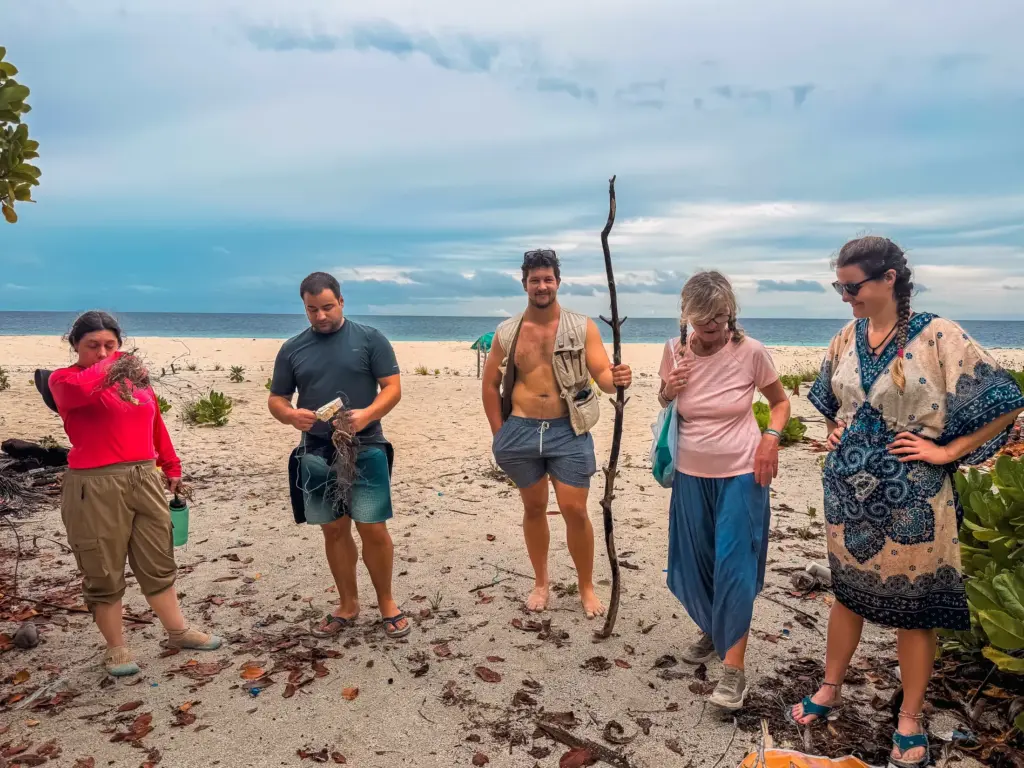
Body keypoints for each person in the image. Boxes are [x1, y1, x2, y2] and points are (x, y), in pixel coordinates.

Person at [790, 237, 1024, 768]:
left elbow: (1004, 401)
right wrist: (835, 432)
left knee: (915, 610)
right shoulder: (847, 336)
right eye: (840, 287)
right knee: (846, 595)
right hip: (848, 497)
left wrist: (948, 450)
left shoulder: (939, 333)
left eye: (854, 287)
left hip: (915, 501)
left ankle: (910, 719)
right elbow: (829, 398)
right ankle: (830, 689)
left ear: (889, 278)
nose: (846, 297)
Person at [49, 311, 221, 677]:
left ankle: (177, 631)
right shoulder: (63, 380)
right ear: (75, 346)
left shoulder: (136, 384)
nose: (101, 352)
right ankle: (116, 648)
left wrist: (171, 467)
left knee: (158, 558)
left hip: (144, 476)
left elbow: (155, 423)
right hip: (94, 484)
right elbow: (81, 391)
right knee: (103, 568)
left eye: (110, 345)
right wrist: (116, 363)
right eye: (92, 345)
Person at [657, 271, 790, 710]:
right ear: (686, 316)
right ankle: (716, 630)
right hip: (690, 473)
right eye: (702, 320)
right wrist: (667, 390)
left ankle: (734, 670)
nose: (712, 327)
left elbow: (780, 402)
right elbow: (665, 403)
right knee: (695, 563)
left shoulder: (749, 352)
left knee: (734, 563)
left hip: (742, 472)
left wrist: (770, 439)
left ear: (731, 312)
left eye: (720, 317)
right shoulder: (674, 350)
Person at [481, 249, 632, 618]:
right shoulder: (507, 331)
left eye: (548, 279)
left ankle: (586, 587)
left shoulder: (581, 327)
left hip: (569, 429)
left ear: (558, 283)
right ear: (525, 285)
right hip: (520, 430)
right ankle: (541, 583)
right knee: (533, 508)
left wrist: (617, 379)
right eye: (535, 280)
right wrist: (499, 434)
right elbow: (490, 384)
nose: (542, 286)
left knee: (574, 510)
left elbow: (602, 376)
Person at [268, 272, 410, 639]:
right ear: (304, 307)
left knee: (373, 527)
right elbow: (277, 399)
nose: (320, 316)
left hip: (366, 446)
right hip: (315, 450)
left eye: (327, 307)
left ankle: (387, 603)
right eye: (312, 309)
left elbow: (392, 388)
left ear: (342, 302)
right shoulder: (292, 348)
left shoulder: (370, 339)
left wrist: (368, 414)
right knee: (333, 530)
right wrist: (289, 414)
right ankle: (347, 604)